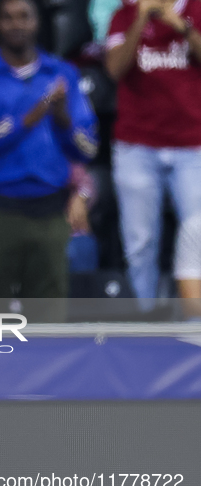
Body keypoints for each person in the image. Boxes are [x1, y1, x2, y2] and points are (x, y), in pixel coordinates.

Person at [0, 0, 97, 301]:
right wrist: (25, 120)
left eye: (24, 16)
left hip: (50, 214)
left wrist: (62, 119)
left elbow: (88, 147)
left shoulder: (63, 74)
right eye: (7, 17)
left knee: (48, 324)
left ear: (37, 22)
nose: (16, 24)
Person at [106, 0, 201, 307]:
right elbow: (114, 69)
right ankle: (144, 319)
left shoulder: (196, 9)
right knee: (140, 242)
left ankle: (194, 324)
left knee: (197, 234)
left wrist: (181, 25)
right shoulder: (124, 14)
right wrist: (141, 19)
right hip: (137, 146)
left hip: (191, 144)